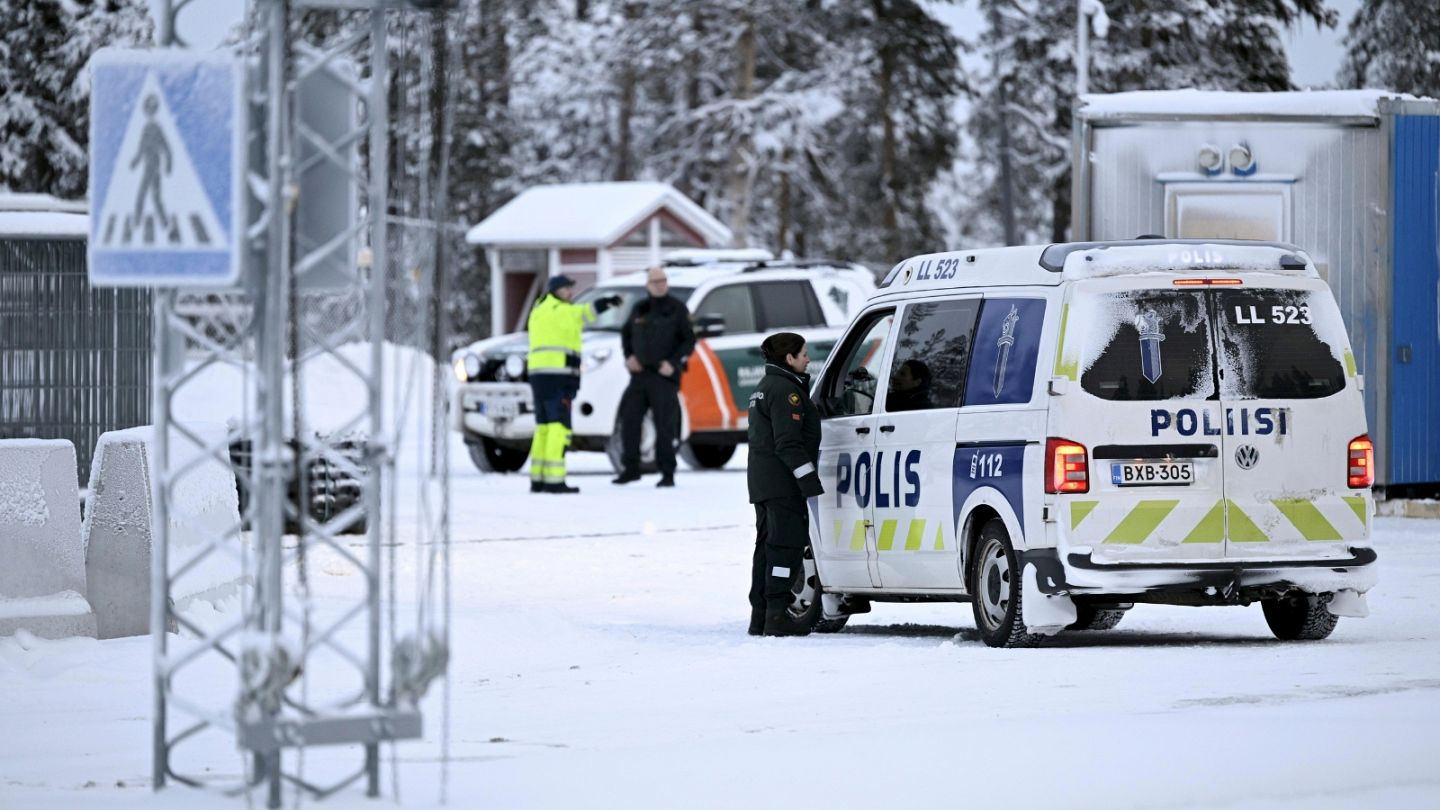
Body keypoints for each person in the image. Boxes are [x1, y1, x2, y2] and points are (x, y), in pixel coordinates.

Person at [746, 331, 824, 636]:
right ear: (789, 358)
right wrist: (809, 482)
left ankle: (761, 616)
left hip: (764, 483)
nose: (808, 358)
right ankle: (777, 617)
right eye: (803, 353)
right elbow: (788, 444)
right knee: (785, 548)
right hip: (782, 485)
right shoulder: (785, 391)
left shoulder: (765, 386)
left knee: (766, 548)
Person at [527, 275, 621, 494]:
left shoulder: (538, 310)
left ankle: (538, 478)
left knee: (543, 428)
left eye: (570, 288)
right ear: (554, 290)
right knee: (559, 428)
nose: (570, 293)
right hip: (558, 376)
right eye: (566, 289)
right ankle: (555, 480)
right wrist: (607, 302)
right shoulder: (562, 311)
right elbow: (585, 312)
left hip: (538, 376)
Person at [612, 266, 696, 488]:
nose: (660, 284)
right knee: (630, 421)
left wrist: (673, 363)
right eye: (655, 281)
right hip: (639, 375)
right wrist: (629, 356)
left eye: (663, 280)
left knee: (664, 426)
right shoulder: (639, 308)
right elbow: (626, 335)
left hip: (664, 376)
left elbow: (689, 341)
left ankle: (667, 473)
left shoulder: (677, 308)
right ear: (647, 285)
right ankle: (630, 469)